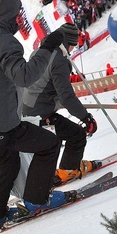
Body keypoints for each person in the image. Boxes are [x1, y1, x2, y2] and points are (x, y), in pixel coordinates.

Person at [0, 0, 67, 228]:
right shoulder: (5, 42)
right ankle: (37, 200)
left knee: (7, 162)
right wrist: (46, 48)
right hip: (1, 122)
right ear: (8, 13)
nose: (18, 20)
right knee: (48, 145)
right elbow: (25, 77)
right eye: (16, 15)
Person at [22, 22, 98, 186]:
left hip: (27, 109)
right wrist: (86, 118)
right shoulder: (60, 61)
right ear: (69, 43)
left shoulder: (40, 51)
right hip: (39, 113)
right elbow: (66, 97)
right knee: (76, 135)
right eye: (74, 45)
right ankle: (67, 171)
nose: (73, 50)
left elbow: (42, 83)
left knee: (57, 138)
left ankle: (66, 167)